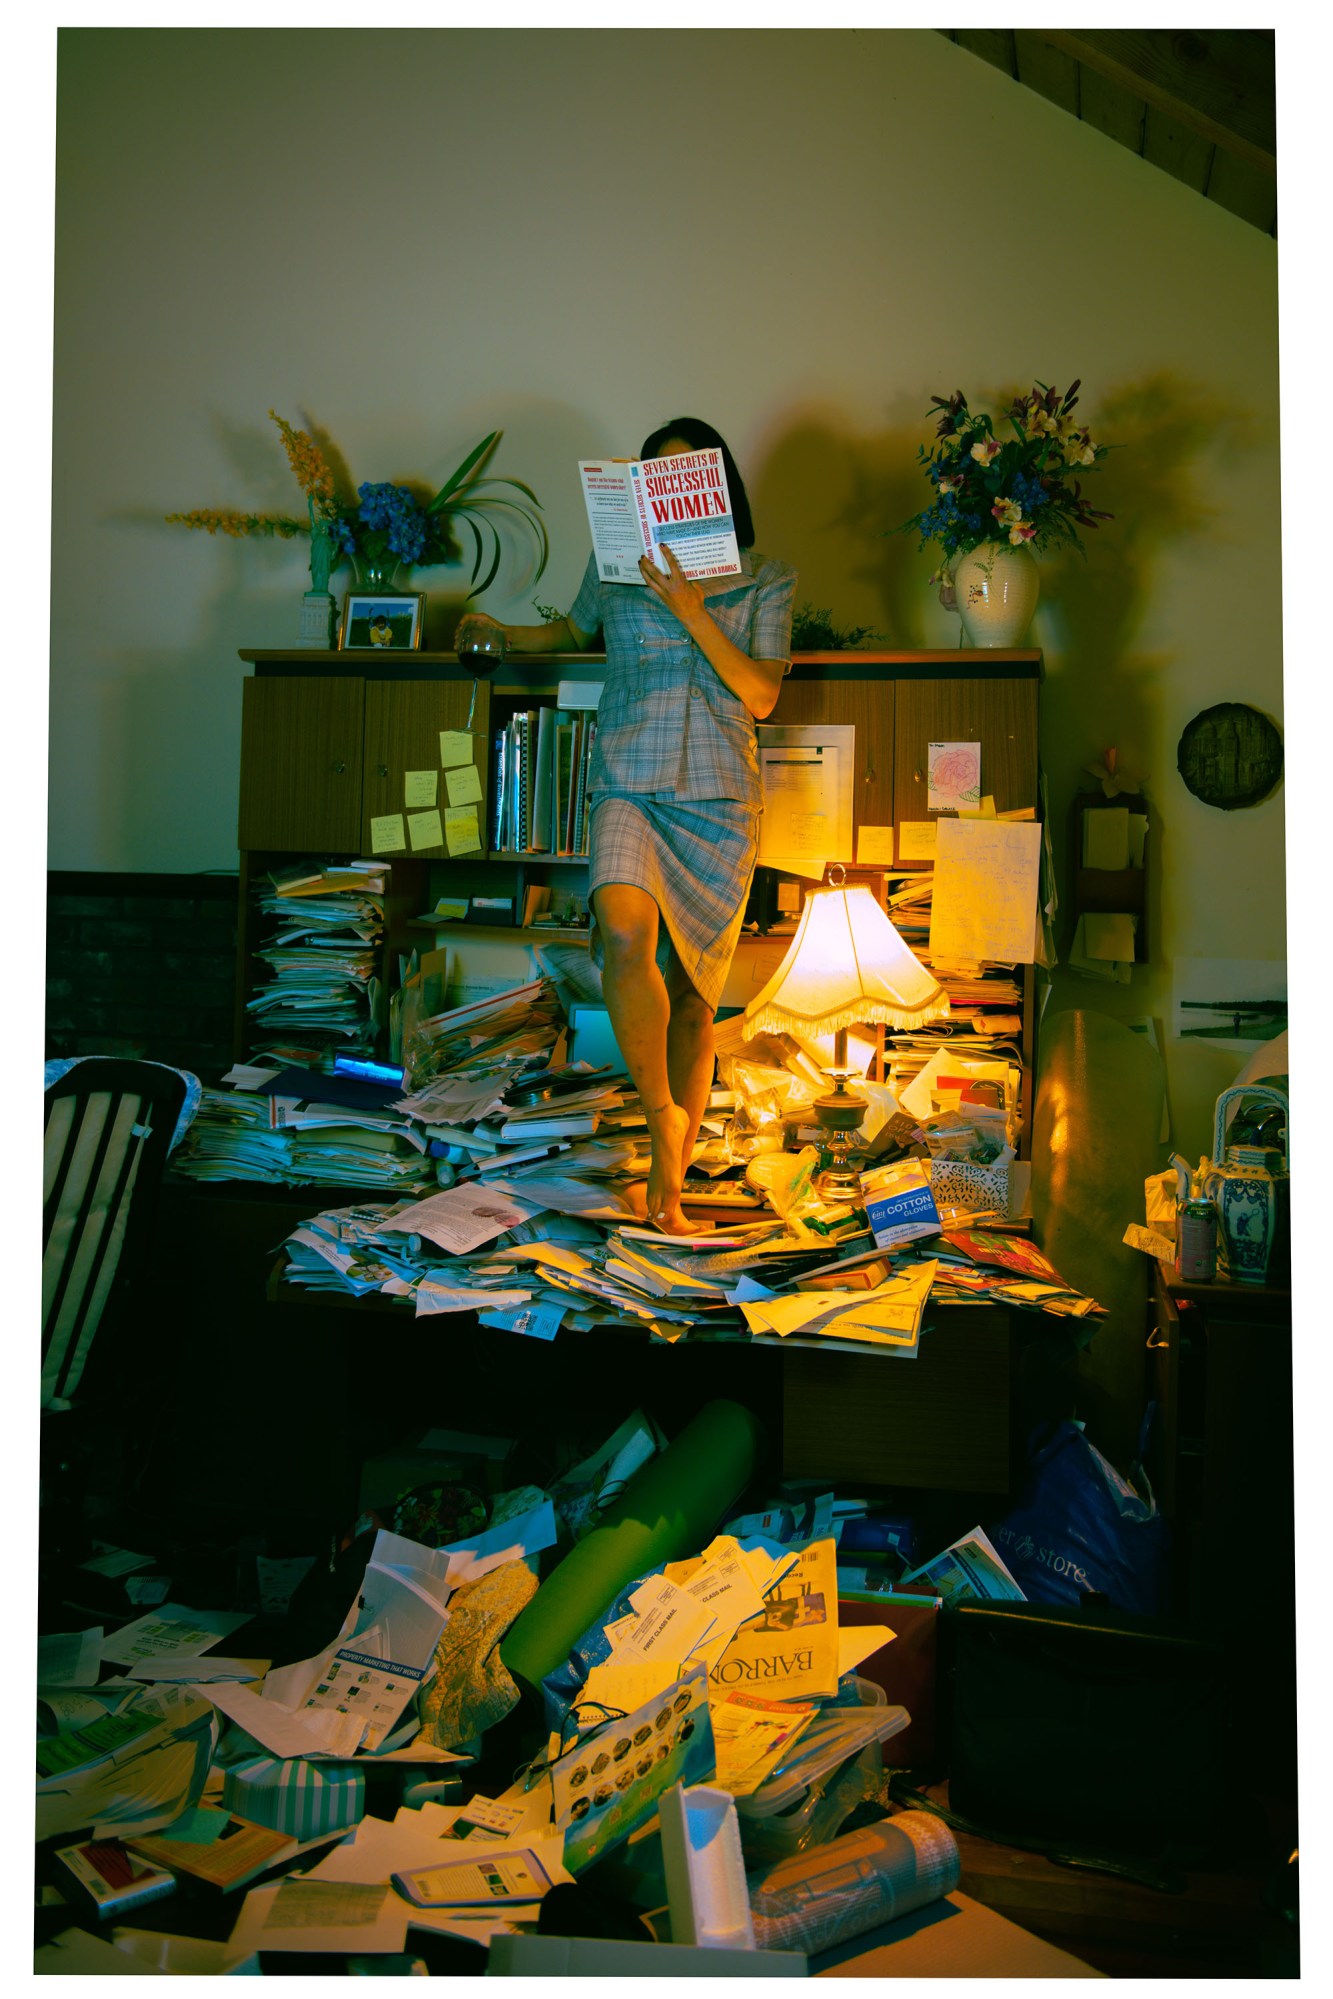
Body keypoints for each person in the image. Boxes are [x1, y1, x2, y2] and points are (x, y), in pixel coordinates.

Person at [455, 417, 796, 1232]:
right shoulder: (614, 568)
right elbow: (571, 635)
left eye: (689, 474)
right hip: (627, 776)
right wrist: (499, 632)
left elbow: (760, 693)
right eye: (658, 478)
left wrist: (690, 606)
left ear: (718, 487)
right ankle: (662, 1116)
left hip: (717, 798)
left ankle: (669, 1196)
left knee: (691, 998)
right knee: (618, 931)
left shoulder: (768, 578)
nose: (673, 491)